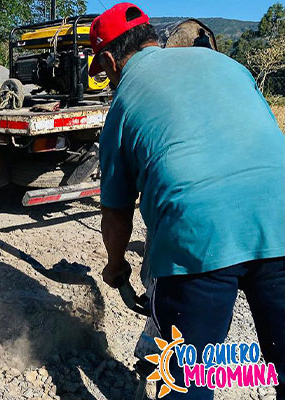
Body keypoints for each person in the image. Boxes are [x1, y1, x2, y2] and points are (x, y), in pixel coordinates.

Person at [91, 3, 285, 399]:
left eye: (104, 70)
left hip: (198, 235)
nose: (108, 79)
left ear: (110, 59)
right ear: (151, 39)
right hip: (280, 214)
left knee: (186, 382)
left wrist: (115, 266)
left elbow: (115, 212)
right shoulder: (228, 65)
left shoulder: (123, 102)